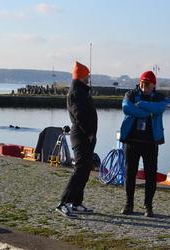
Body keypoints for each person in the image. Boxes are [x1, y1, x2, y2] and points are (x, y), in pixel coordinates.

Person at [119, 70, 169, 217]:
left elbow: (160, 108)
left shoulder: (159, 97)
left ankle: (148, 206)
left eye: (148, 84)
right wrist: (148, 113)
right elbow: (126, 108)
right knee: (130, 173)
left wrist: (140, 105)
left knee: (151, 175)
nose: (144, 86)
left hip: (150, 142)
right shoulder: (131, 94)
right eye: (142, 83)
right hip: (132, 141)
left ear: (153, 85)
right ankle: (129, 204)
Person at [56, 61, 97, 219]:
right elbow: (79, 115)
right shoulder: (76, 92)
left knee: (85, 169)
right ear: (81, 76)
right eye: (87, 75)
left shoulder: (81, 90)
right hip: (81, 135)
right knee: (80, 169)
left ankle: (76, 202)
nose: (88, 78)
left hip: (86, 135)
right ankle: (64, 202)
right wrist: (88, 133)